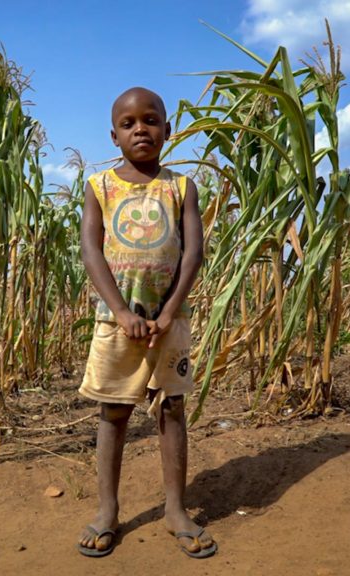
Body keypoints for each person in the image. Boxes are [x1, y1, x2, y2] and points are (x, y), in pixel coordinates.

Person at [76, 87, 216, 559]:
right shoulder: (99, 187)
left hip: (168, 320)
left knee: (171, 410)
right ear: (113, 135)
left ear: (167, 130)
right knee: (113, 413)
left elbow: (193, 251)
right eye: (130, 123)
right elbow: (91, 249)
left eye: (151, 120)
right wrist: (119, 310)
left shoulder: (181, 187)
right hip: (116, 321)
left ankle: (175, 509)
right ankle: (108, 510)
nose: (141, 129)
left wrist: (172, 308)